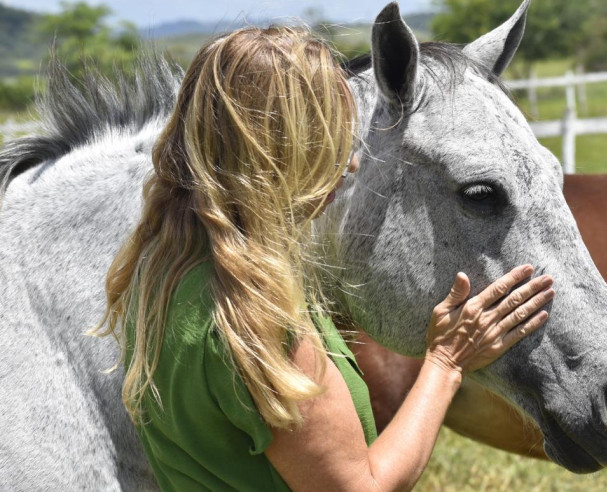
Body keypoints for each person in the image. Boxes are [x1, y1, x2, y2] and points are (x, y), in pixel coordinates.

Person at [96, 26, 555, 491]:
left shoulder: (159, 275)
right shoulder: (260, 318)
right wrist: (446, 362)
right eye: (327, 137)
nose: (351, 162)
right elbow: (363, 487)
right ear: (276, 152)